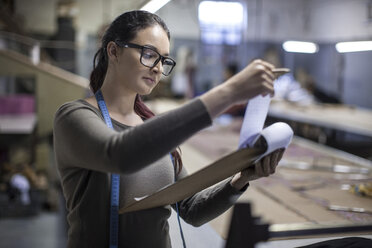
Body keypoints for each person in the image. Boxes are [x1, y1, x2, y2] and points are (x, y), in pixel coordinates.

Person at [53, 10, 284, 248]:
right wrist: (228, 93)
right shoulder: (74, 117)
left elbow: (191, 209)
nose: (157, 68)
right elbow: (119, 154)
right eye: (149, 54)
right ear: (114, 51)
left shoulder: (150, 127)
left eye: (164, 60)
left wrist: (240, 179)